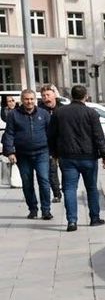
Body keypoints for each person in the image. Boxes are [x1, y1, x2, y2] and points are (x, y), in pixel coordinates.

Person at [47, 85, 105, 231]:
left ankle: (72, 221)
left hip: (67, 157)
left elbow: (51, 135)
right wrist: (104, 155)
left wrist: (54, 154)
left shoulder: (59, 113)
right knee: (91, 188)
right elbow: (98, 136)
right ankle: (94, 218)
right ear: (85, 96)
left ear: (71, 96)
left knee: (69, 189)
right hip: (88, 157)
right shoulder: (91, 113)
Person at [2, 89, 55, 220]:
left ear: (35, 100)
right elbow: (9, 134)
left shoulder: (43, 114)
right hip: (22, 154)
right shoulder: (13, 115)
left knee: (44, 180)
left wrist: (53, 152)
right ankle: (33, 209)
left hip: (42, 153)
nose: (29, 101)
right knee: (27, 183)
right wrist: (10, 152)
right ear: (22, 100)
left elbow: (51, 133)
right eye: (26, 99)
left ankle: (46, 210)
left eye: (31, 99)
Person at [38, 85, 63, 202]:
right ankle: (57, 194)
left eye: (48, 95)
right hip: (48, 146)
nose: (46, 98)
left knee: (66, 169)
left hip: (63, 145)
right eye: (43, 96)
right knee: (52, 171)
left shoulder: (62, 109)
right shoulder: (39, 110)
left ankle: (67, 189)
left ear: (54, 95)